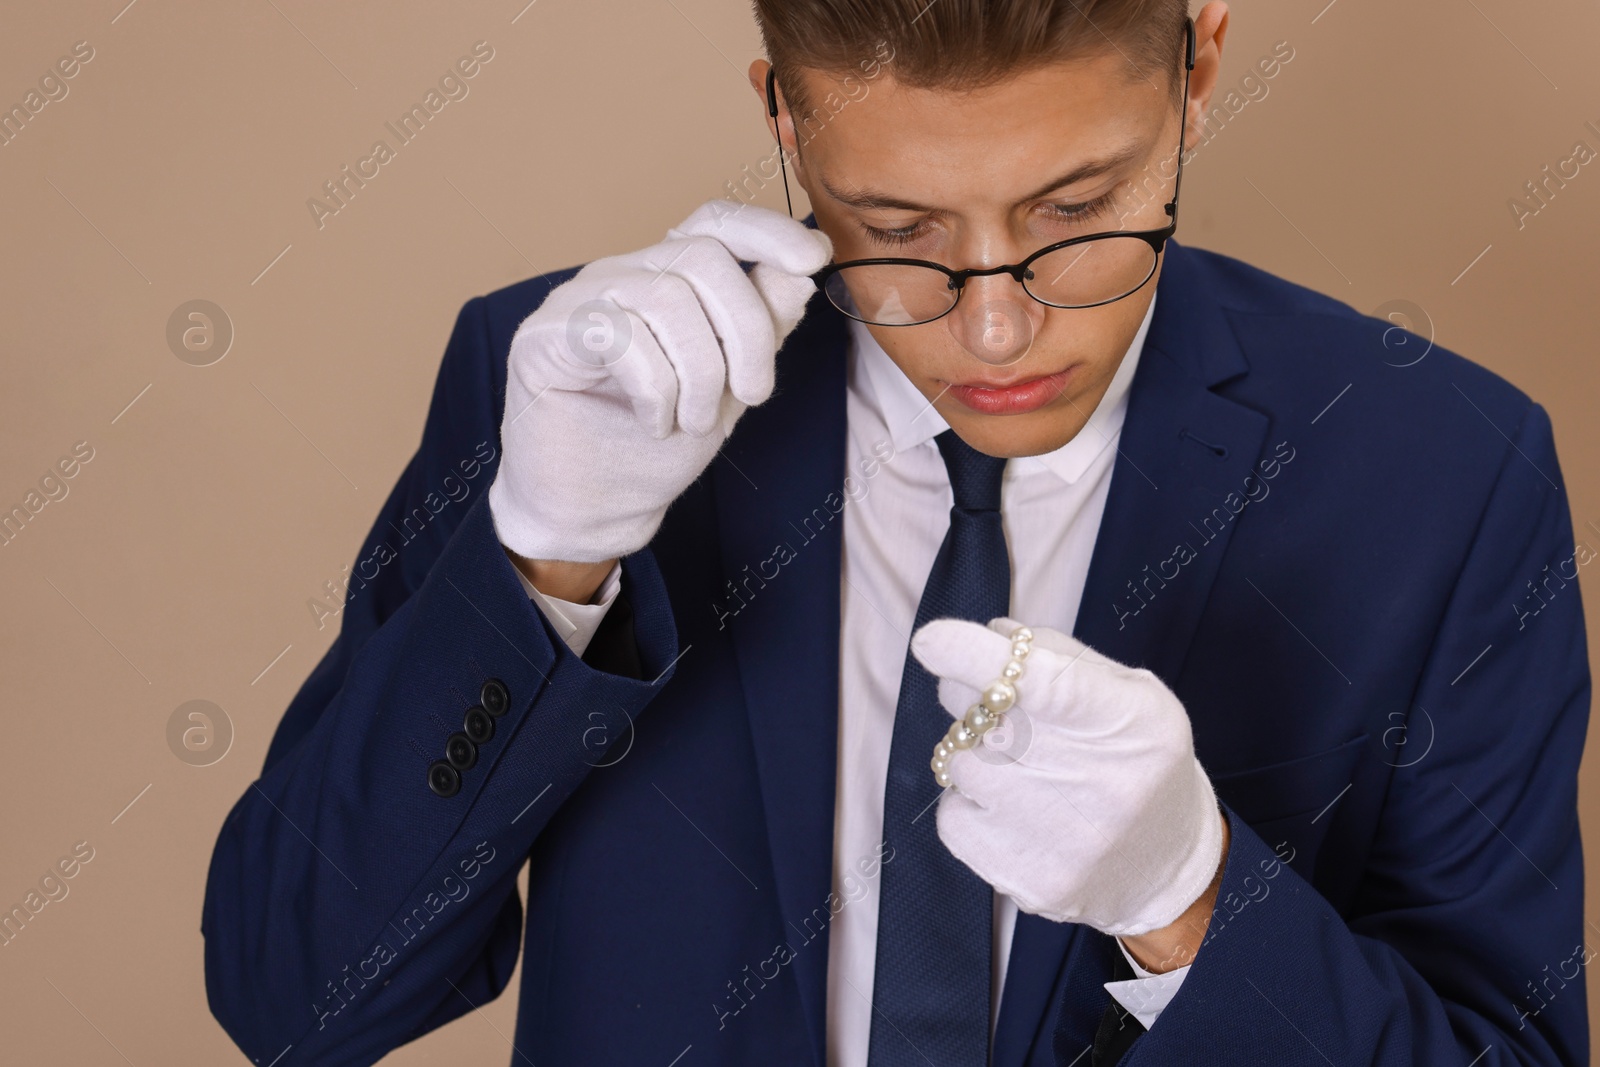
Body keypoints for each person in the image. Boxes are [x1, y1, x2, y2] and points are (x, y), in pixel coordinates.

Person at [201, 1, 1592, 1064]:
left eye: (1078, 212)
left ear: (1200, 71)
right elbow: (293, 994)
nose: (994, 330)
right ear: (785, 127)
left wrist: (1193, 903)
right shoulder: (562, 377)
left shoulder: (1442, 471)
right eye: (895, 226)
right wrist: (543, 561)